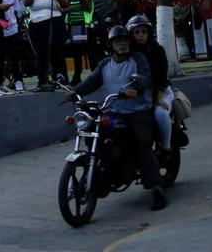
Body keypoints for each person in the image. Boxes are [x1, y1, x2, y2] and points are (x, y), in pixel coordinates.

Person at [71, 25, 167, 211]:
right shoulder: (106, 63)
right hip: (114, 113)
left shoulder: (138, 59)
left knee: (142, 146)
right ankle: (104, 171)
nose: (122, 44)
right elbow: (92, 81)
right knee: (93, 130)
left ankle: (157, 190)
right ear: (111, 45)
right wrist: (74, 92)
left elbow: (145, 77)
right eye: (117, 42)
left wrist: (136, 88)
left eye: (124, 41)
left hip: (138, 111)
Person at [127, 14, 174, 155]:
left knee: (160, 114)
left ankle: (166, 147)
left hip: (161, 92)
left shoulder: (157, 50)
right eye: (136, 32)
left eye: (144, 32)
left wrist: (158, 98)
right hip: (137, 93)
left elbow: (162, 78)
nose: (140, 35)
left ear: (149, 33)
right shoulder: (128, 53)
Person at [23, 0, 70, 91]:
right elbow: (27, 2)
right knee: (41, 53)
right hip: (37, 26)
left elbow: (65, 4)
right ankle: (42, 80)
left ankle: (61, 79)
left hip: (55, 23)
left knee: (57, 52)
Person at [65, 0, 97, 84]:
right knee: (77, 53)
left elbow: (87, 7)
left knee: (90, 53)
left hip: (86, 26)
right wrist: (77, 7)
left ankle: (94, 76)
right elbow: (66, 9)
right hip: (75, 27)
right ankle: (77, 77)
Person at [0, 0, 27, 92]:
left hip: (13, 29)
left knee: (15, 57)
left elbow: (17, 10)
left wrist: (17, 23)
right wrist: (2, 23)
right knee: (1, 57)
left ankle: (18, 81)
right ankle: (1, 82)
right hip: (1, 29)